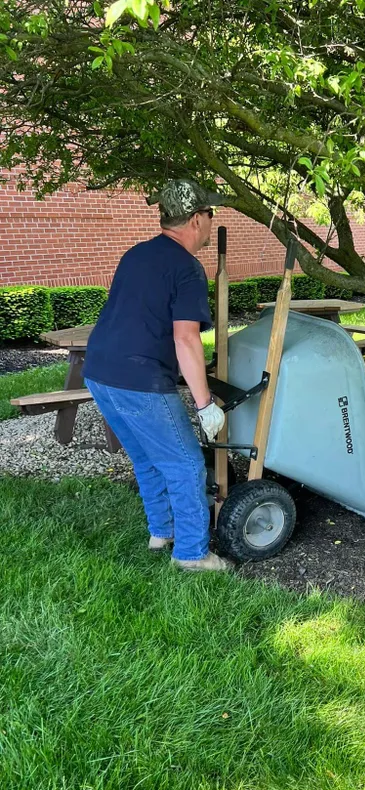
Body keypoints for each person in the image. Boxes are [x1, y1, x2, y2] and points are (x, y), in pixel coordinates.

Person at [83, 178, 231, 571]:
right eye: (210, 215)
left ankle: (161, 532)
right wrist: (204, 405)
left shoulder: (137, 254)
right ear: (197, 219)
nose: (211, 222)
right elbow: (186, 340)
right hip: (138, 379)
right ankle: (192, 554)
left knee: (148, 457)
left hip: (98, 371)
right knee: (184, 464)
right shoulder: (186, 268)